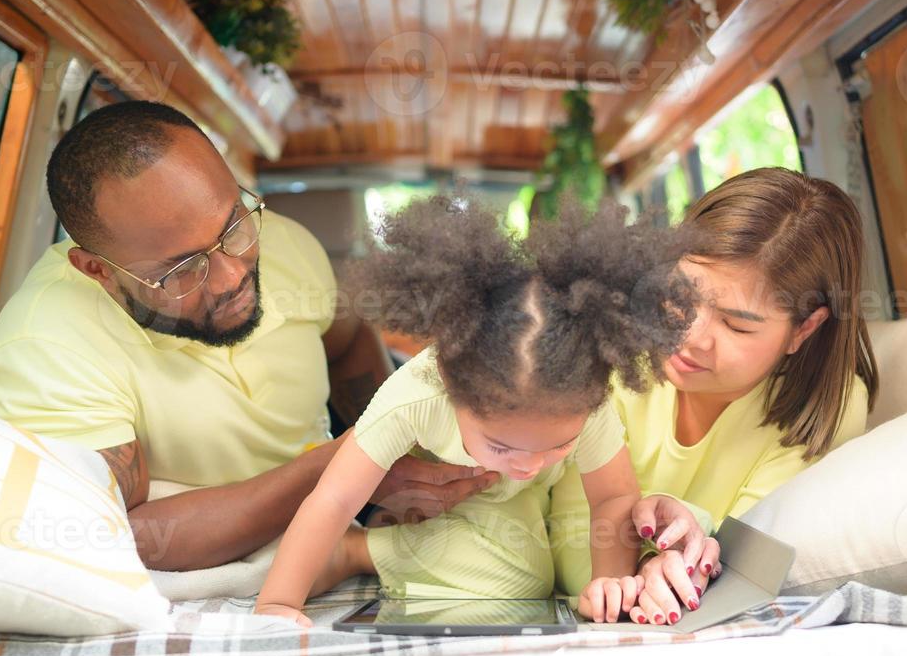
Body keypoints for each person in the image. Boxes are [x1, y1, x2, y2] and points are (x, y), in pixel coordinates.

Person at [0, 102, 496, 572]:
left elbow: (346, 343)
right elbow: (116, 536)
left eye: (232, 227)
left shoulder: (288, 245)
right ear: (96, 268)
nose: (231, 277)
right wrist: (348, 466)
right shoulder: (44, 346)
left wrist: (398, 462)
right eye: (181, 269)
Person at [253, 196, 697, 626]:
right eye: (502, 446)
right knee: (521, 581)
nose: (528, 465)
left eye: (561, 442)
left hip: (561, 495)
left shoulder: (585, 396)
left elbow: (613, 497)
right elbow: (333, 499)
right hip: (473, 499)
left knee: (614, 559)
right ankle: (355, 551)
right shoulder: (416, 395)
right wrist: (278, 603)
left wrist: (610, 584)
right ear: (450, 385)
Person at [546, 167, 879, 624]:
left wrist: (675, 567)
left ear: (805, 328)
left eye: (737, 325)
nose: (690, 335)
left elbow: (747, 552)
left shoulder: (827, 406)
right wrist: (640, 571)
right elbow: (563, 523)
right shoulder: (615, 346)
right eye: (681, 294)